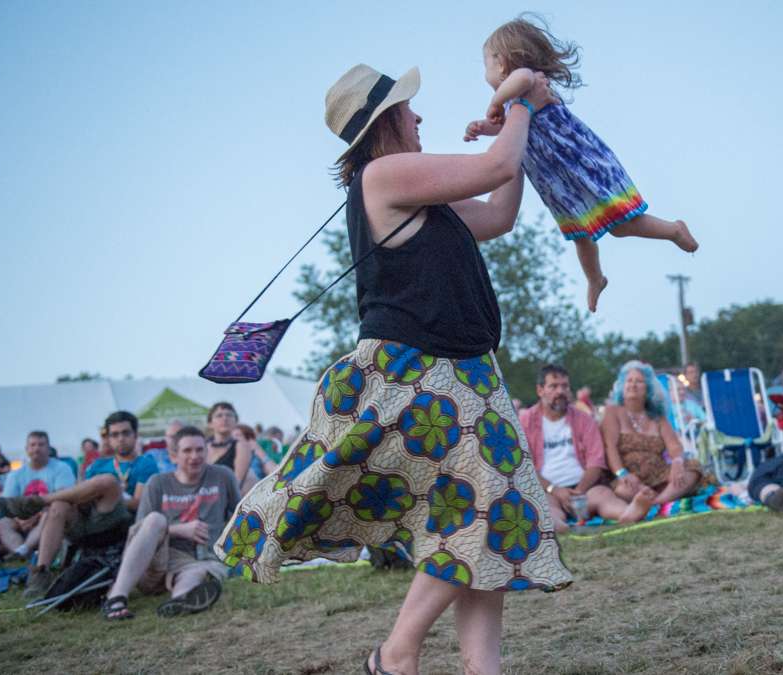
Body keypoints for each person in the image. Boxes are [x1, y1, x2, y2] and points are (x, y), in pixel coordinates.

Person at [214, 63, 569, 675]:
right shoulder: (384, 174)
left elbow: (498, 211)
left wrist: (516, 126)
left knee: (484, 519)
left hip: (466, 374)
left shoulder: (419, 192)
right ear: (386, 123)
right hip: (419, 372)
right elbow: (496, 169)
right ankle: (397, 652)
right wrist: (520, 108)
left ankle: (465, 667)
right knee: (485, 508)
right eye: (409, 107)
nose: (420, 116)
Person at [465, 15, 698, 312]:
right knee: (581, 236)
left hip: (581, 169)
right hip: (558, 184)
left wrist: (495, 102)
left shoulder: (527, 81)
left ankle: (673, 230)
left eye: (486, 64)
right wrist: (486, 127)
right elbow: (515, 129)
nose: (486, 74)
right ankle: (595, 278)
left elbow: (519, 80)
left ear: (501, 62)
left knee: (621, 226)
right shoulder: (516, 103)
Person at [0, 410, 156, 597]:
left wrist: (113, 493)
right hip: (88, 518)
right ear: (109, 438)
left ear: (135, 435)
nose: (120, 439)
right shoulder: (98, 464)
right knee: (59, 506)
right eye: (115, 434)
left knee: (108, 482)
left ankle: (40, 501)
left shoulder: (145, 462)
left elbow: (139, 503)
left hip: (118, 520)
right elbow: (79, 495)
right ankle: (40, 572)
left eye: (125, 433)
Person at [101, 426, 240, 620]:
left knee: (199, 571)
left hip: (203, 558)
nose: (195, 456)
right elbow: (142, 530)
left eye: (200, 450)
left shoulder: (222, 476)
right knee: (156, 519)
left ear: (207, 451)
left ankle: (180, 600)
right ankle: (116, 597)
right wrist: (178, 530)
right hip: (158, 559)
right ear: (174, 455)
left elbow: (241, 515)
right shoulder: (157, 482)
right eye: (187, 450)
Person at [519, 365, 654, 530]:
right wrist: (554, 489)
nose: (560, 391)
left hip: (584, 488)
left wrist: (579, 491)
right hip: (548, 490)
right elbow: (523, 465)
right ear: (540, 390)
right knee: (545, 505)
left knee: (604, 496)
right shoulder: (525, 421)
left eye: (565, 386)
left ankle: (627, 513)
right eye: (553, 386)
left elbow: (596, 461)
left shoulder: (584, 420)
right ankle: (557, 525)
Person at [601, 361, 701, 506]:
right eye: (629, 380)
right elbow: (609, 447)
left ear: (648, 388)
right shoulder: (612, 411)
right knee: (622, 490)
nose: (633, 385)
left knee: (693, 467)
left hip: (660, 474)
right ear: (622, 386)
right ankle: (661, 497)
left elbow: (674, 445)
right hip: (629, 477)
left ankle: (657, 501)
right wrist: (622, 473)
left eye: (639, 381)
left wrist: (677, 463)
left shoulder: (657, 416)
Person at [0, 431, 76, 559]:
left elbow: (64, 496)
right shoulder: (15, 475)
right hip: (22, 517)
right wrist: (19, 519)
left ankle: (26, 549)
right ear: (27, 449)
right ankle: (22, 552)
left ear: (48, 449)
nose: (36, 448)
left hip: (50, 515)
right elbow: (8, 503)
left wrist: (36, 516)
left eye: (41, 444)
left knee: (50, 512)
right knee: (1, 524)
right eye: (33, 445)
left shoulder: (61, 468)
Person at [205, 402, 252, 487]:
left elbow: (237, 483)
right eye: (219, 415)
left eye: (229, 415)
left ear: (236, 421)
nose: (225, 419)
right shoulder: (202, 445)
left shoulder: (241, 446)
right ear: (210, 423)